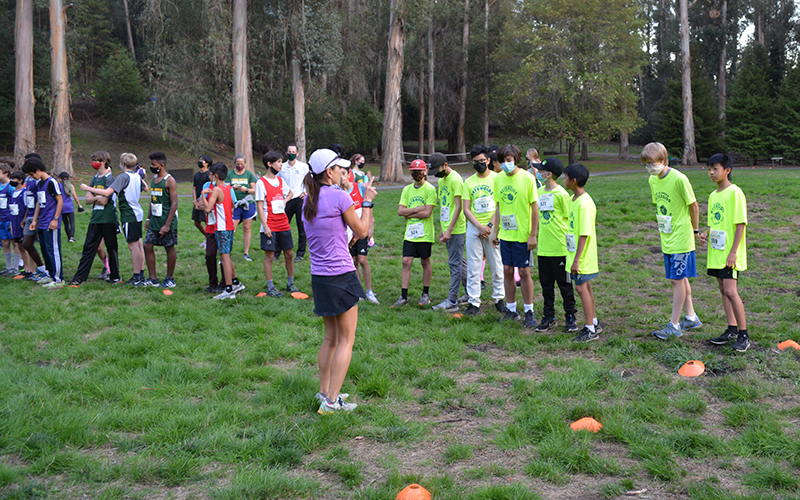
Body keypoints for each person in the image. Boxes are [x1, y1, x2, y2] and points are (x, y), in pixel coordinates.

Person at [302, 148, 376, 413]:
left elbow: (332, 233)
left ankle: (324, 394)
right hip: (341, 275)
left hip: (320, 276)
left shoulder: (307, 199)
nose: (343, 172)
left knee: (330, 338)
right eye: (339, 168)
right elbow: (363, 230)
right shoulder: (339, 196)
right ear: (329, 172)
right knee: (346, 339)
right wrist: (366, 201)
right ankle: (332, 403)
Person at [642, 142, 702, 340]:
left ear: (663, 160)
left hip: (681, 238)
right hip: (666, 237)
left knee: (676, 280)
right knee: (681, 277)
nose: (650, 168)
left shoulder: (679, 178)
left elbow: (693, 205)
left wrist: (695, 230)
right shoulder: (653, 180)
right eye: (646, 164)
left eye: (652, 163)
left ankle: (674, 325)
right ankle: (691, 318)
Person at [700, 154, 750, 352]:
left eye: (716, 169)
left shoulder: (735, 193)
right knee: (722, 289)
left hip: (730, 253)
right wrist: (705, 233)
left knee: (731, 290)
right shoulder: (714, 196)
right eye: (709, 169)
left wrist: (733, 252)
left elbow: (740, 225)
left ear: (727, 170)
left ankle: (744, 334)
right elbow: (714, 222)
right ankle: (731, 329)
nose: (712, 173)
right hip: (716, 252)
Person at [489, 144, 539, 328]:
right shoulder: (498, 179)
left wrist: (533, 234)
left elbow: (535, 207)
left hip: (522, 235)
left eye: (508, 161)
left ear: (516, 159)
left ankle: (529, 310)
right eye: (501, 162)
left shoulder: (527, 178)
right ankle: (511, 310)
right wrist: (495, 231)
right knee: (507, 271)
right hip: (506, 234)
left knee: (524, 272)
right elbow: (499, 205)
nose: (505, 165)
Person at [82, 153, 146, 285]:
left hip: (129, 214)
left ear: (122, 164)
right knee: (139, 244)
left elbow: (107, 193)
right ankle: (141, 274)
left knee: (133, 246)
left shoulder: (123, 176)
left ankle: (136, 277)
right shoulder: (136, 176)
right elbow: (145, 188)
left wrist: (87, 188)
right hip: (138, 212)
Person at [534, 157, 579, 333]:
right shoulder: (539, 192)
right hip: (544, 249)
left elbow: (570, 221)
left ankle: (570, 317)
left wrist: (570, 247)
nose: (538, 173)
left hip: (560, 248)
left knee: (565, 286)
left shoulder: (561, 194)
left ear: (549, 174)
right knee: (546, 286)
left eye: (541, 170)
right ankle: (548, 316)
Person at [462, 145, 505, 316]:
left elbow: (500, 205)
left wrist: (490, 226)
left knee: (497, 264)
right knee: (473, 266)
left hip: (493, 228)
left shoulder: (498, 179)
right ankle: (474, 302)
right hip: (474, 229)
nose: (479, 164)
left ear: (488, 160)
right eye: (475, 162)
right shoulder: (469, 182)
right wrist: (479, 226)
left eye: (481, 161)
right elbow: (466, 209)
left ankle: (499, 299)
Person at [71, 151, 121, 286]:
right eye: (93, 159)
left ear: (104, 161)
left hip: (108, 219)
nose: (94, 162)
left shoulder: (110, 178)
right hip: (95, 219)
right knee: (88, 248)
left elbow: (105, 200)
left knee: (111, 248)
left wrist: (92, 193)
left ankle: (115, 276)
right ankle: (79, 278)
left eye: (96, 159)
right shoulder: (94, 179)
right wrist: (96, 197)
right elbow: (87, 200)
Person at [564, 163, 601, 342]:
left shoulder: (585, 204)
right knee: (585, 287)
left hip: (583, 255)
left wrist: (577, 259)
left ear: (574, 180)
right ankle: (593, 322)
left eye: (566, 178)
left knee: (580, 287)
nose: (564, 180)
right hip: (575, 253)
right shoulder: (574, 200)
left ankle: (589, 328)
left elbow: (584, 234)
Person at [393, 159, 437, 308]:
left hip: (425, 233)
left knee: (425, 261)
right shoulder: (407, 190)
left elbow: (428, 213)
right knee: (406, 261)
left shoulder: (430, 189)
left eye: (419, 171)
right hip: (410, 234)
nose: (416, 174)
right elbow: (400, 211)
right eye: (414, 171)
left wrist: (409, 213)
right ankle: (403, 296)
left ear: (425, 172)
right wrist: (418, 209)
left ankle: (425, 293)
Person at [255, 151, 298, 297]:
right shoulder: (261, 183)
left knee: (289, 253)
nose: (281, 165)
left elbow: (290, 193)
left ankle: (290, 283)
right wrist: (265, 226)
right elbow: (259, 206)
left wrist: (285, 201)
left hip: (283, 222)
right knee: (270, 256)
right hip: (270, 224)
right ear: (269, 164)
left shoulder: (280, 181)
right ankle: (270, 287)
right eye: (279, 162)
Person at [428, 152, 468, 312]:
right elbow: (445, 207)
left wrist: (450, 229)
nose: (436, 175)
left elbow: (459, 207)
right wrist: (441, 229)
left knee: (454, 263)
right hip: (447, 227)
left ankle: (452, 301)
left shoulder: (456, 179)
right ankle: (470, 293)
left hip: (456, 229)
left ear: (445, 165)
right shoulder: (443, 180)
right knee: (460, 261)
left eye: (437, 170)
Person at [203, 163, 246, 299]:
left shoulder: (216, 190)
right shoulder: (228, 188)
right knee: (226, 256)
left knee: (224, 258)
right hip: (229, 226)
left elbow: (208, 209)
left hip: (222, 228)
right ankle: (235, 282)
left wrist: (203, 195)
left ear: (215, 176)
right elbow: (233, 204)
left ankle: (229, 290)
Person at [22, 157, 64, 286]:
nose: (32, 177)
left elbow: (60, 201)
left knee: (53, 250)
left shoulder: (52, 182)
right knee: (45, 249)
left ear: (38, 170)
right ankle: (49, 275)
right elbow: (39, 203)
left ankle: (58, 279)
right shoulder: (39, 183)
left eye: (32, 174)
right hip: (42, 222)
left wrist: (55, 219)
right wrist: (35, 220)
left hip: (51, 222)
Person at [142, 151, 178, 288]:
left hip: (167, 221)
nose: (151, 166)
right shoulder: (154, 180)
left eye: (153, 164)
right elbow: (153, 200)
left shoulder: (170, 180)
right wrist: (148, 218)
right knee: (147, 245)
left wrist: (167, 225)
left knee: (169, 247)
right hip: (154, 221)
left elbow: (174, 204)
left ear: (161, 165)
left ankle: (170, 278)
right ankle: (153, 279)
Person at [277, 144, 309, 262]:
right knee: (282, 227)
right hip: (286, 200)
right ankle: (277, 251)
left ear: (297, 153)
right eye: (289, 151)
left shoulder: (303, 167)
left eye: (293, 151)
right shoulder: (282, 167)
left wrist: (306, 193)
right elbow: (277, 181)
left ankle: (300, 253)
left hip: (299, 199)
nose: (291, 153)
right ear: (286, 153)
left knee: (301, 227)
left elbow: (310, 180)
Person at [21, 154, 47, 282]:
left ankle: (47, 270)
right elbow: (28, 200)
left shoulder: (40, 180)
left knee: (44, 245)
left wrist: (40, 217)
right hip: (30, 215)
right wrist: (25, 217)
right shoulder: (27, 180)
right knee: (26, 243)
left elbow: (41, 201)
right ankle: (41, 268)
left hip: (39, 216)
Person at [228, 154, 257, 261]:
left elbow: (254, 190)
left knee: (247, 228)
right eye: (238, 164)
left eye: (242, 164)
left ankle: (246, 253)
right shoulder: (229, 174)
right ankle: (227, 253)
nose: (240, 166)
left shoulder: (249, 174)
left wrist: (246, 190)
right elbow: (225, 187)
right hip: (234, 204)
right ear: (234, 163)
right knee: (231, 229)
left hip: (247, 203)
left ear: (245, 163)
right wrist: (233, 187)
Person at [7, 171, 32, 276]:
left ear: (20, 180)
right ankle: (24, 268)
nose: (12, 181)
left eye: (14, 179)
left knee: (26, 245)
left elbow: (27, 208)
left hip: (22, 222)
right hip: (15, 221)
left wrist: (24, 220)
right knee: (19, 245)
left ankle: (30, 268)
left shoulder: (24, 192)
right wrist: (12, 224)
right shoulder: (13, 193)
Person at [57, 172, 83, 243]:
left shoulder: (58, 186)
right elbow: (75, 197)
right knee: (72, 222)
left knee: (66, 223)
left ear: (60, 178)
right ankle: (72, 237)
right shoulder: (71, 186)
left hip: (62, 207)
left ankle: (69, 237)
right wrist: (79, 205)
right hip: (69, 206)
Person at [192, 155, 212, 247]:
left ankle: (210, 240)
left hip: (205, 202)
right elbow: (194, 188)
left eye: (202, 160)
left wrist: (203, 202)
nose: (199, 162)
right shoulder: (196, 175)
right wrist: (195, 201)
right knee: (196, 222)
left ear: (207, 163)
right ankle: (208, 238)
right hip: (197, 202)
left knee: (207, 222)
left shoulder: (209, 175)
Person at [0, 159, 15, 275]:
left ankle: (16, 267)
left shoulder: (11, 186)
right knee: (5, 243)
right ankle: (8, 267)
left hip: (10, 218)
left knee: (15, 243)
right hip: (1, 219)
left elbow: (15, 201)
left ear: (6, 173)